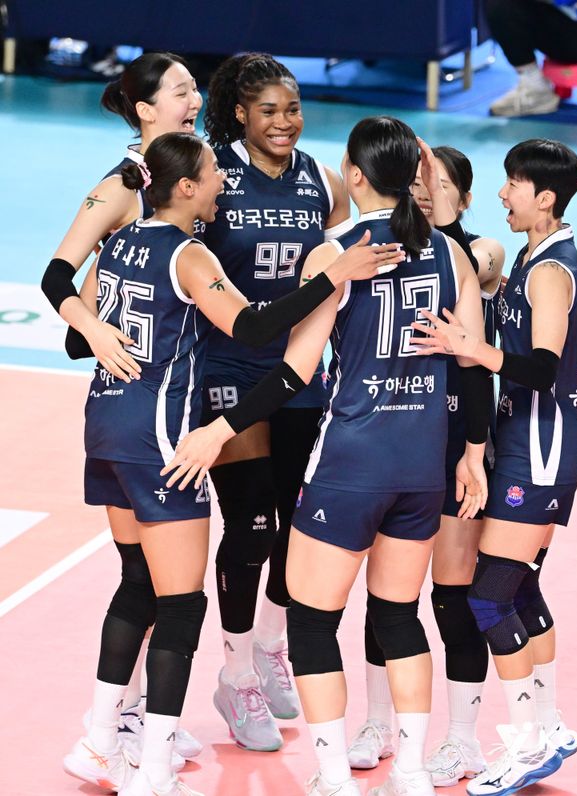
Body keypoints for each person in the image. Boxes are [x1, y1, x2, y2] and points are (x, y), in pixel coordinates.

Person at [59, 132, 405, 796]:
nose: (224, 179)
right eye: (214, 170)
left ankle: (100, 740)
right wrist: (333, 277)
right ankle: (153, 772)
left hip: (104, 425)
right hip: (160, 438)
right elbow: (251, 327)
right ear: (186, 187)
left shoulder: (118, 241)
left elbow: (79, 333)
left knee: (138, 582)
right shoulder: (188, 255)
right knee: (181, 604)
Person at [40, 50, 205, 766]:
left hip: (175, 389)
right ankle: (122, 724)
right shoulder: (120, 187)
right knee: (159, 581)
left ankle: (118, 721)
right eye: (181, 91)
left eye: (196, 89)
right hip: (143, 404)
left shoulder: (189, 172)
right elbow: (56, 274)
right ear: (145, 109)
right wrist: (94, 329)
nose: (194, 100)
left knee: (149, 578)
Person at [412, 138, 577, 796]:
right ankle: (549, 725)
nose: (503, 193)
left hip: (539, 447)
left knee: (488, 597)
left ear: (545, 197)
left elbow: (542, 366)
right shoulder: (532, 252)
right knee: (519, 589)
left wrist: (470, 347)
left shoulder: (550, 272)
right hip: (525, 439)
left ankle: (527, 745)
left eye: (513, 183)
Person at [198, 53, 353, 752]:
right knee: (253, 523)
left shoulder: (321, 180)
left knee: (298, 526)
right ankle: (236, 678)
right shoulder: (214, 173)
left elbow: (346, 261)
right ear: (240, 114)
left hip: (299, 370)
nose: (284, 122)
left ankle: (268, 645)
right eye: (268, 111)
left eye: (292, 109)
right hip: (227, 366)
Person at [347, 143, 506, 789]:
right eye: (414, 179)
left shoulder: (475, 252)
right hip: (397, 439)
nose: (422, 188)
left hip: (460, 444)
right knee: (388, 596)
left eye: (436, 182)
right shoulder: (382, 248)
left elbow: (481, 263)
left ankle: (463, 739)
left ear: (462, 198)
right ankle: (377, 723)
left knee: (452, 594)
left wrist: (476, 450)